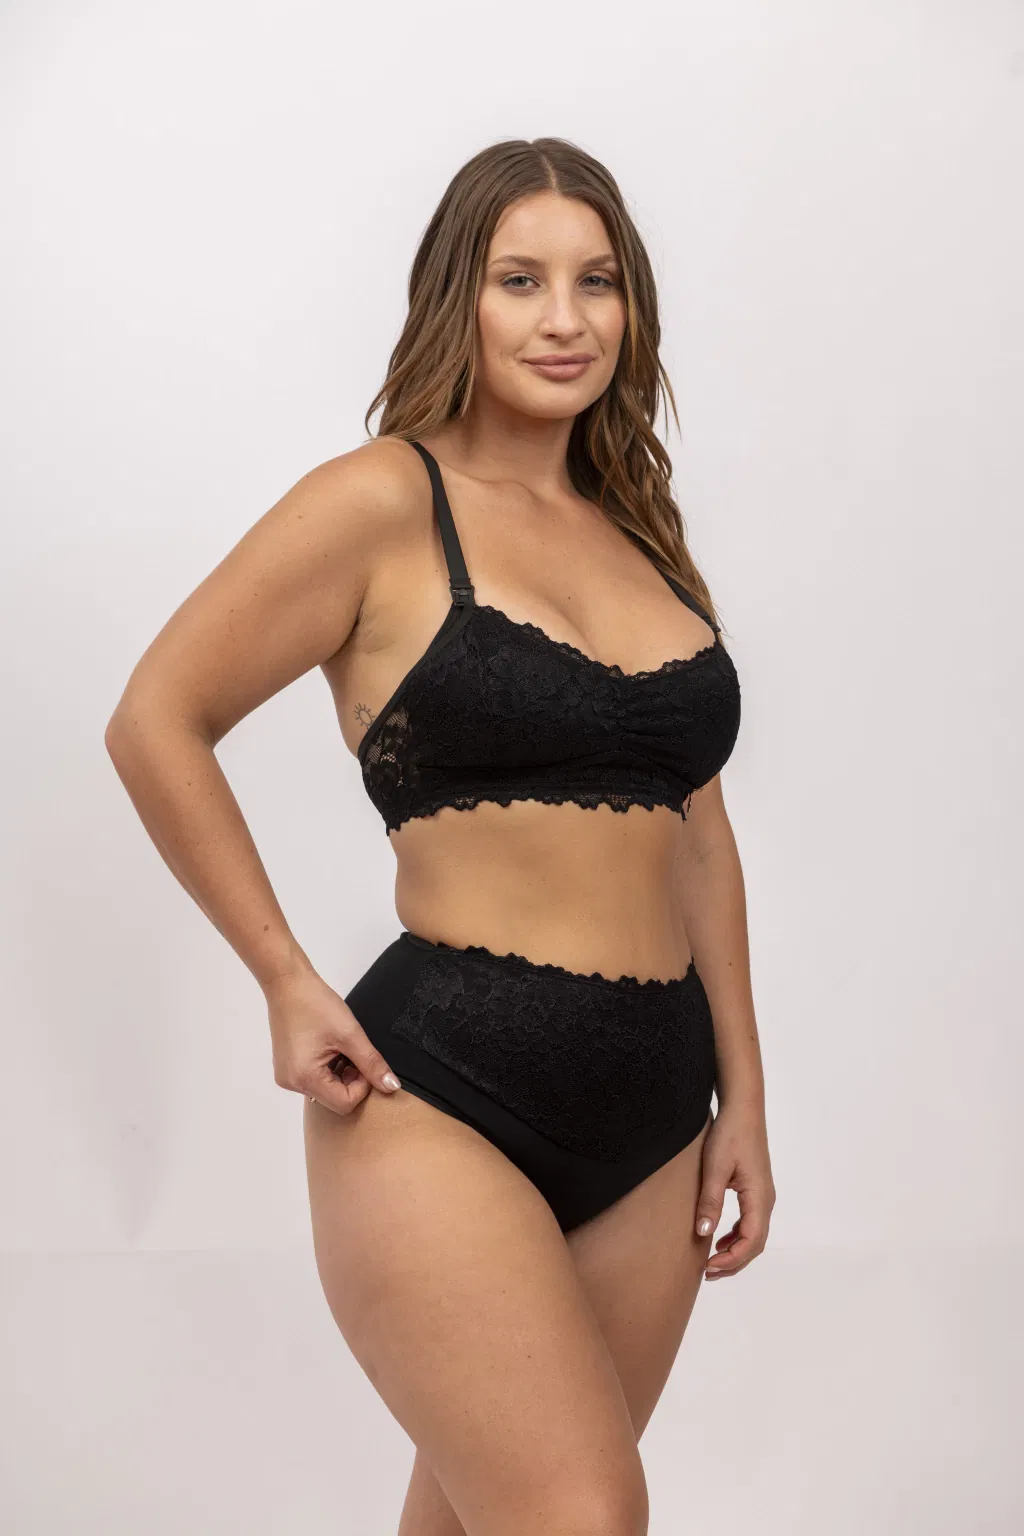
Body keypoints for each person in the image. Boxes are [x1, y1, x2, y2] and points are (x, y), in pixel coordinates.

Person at [106, 136, 775, 1536]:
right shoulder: (378, 502)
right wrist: (286, 979)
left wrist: (744, 1103)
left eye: (598, 282)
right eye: (521, 279)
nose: (565, 318)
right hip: (439, 1089)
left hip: (659, 1110)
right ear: (455, 296)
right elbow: (157, 719)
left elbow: (699, 834)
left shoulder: (639, 533)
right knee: (583, 1513)